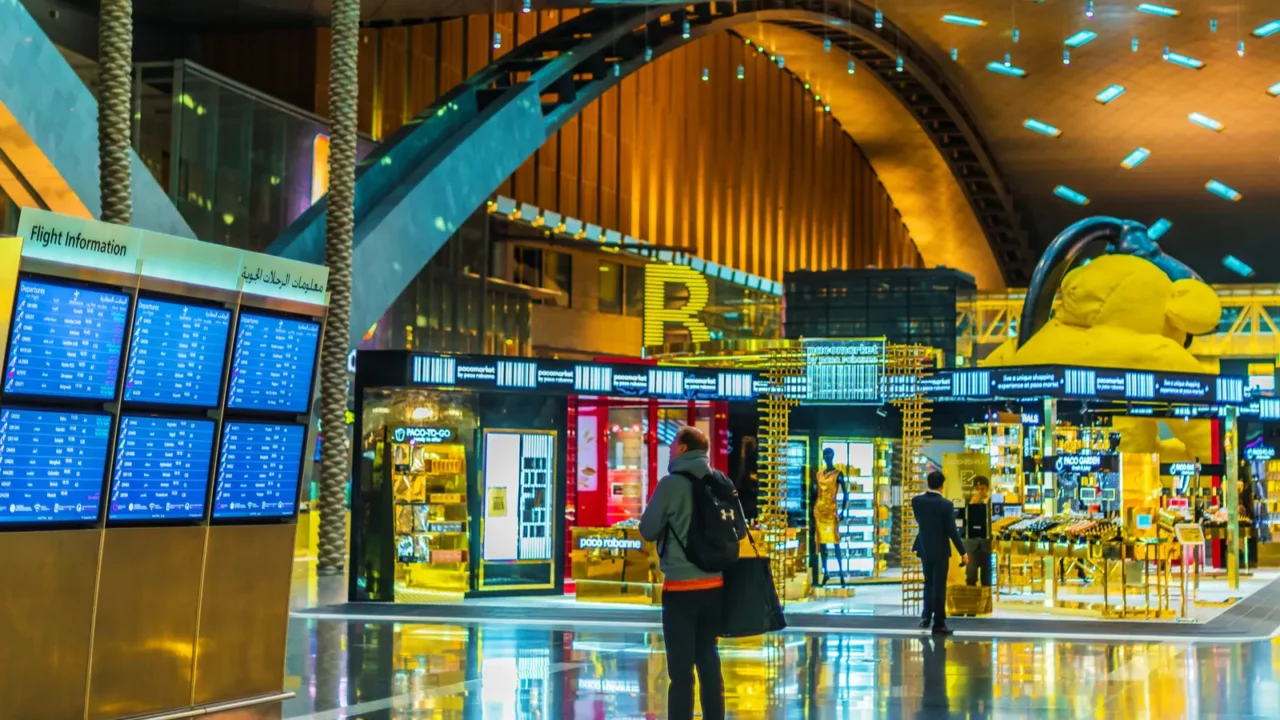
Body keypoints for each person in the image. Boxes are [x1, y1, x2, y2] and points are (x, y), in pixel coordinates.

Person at [639, 426, 747, 720]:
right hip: (714, 587)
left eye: (673, 444)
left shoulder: (671, 484)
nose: (671, 449)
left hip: (680, 593)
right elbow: (740, 529)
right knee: (709, 663)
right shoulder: (720, 480)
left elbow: (647, 530)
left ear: (684, 448)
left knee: (681, 673)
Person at [911, 470, 967, 635]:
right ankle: (939, 623)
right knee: (939, 587)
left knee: (928, 583)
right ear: (942, 486)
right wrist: (963, 552)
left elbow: (920, 521)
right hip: (941, 550)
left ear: (928, 483)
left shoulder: (917, 501)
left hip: (924, 548)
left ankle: (926, 617)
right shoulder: (946, 505)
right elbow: (952, 531)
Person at [961, 476, 993, 587]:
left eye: (982, 489)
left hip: (986, 545)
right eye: (977, 489)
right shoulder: (967, 502)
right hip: (970, 545)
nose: (979, 491)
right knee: (971, 575)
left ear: (987, 489)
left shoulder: (992, 503)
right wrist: (971, 506)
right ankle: (971, 602)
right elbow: (962, 521)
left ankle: (986, 603)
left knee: (986, 578)